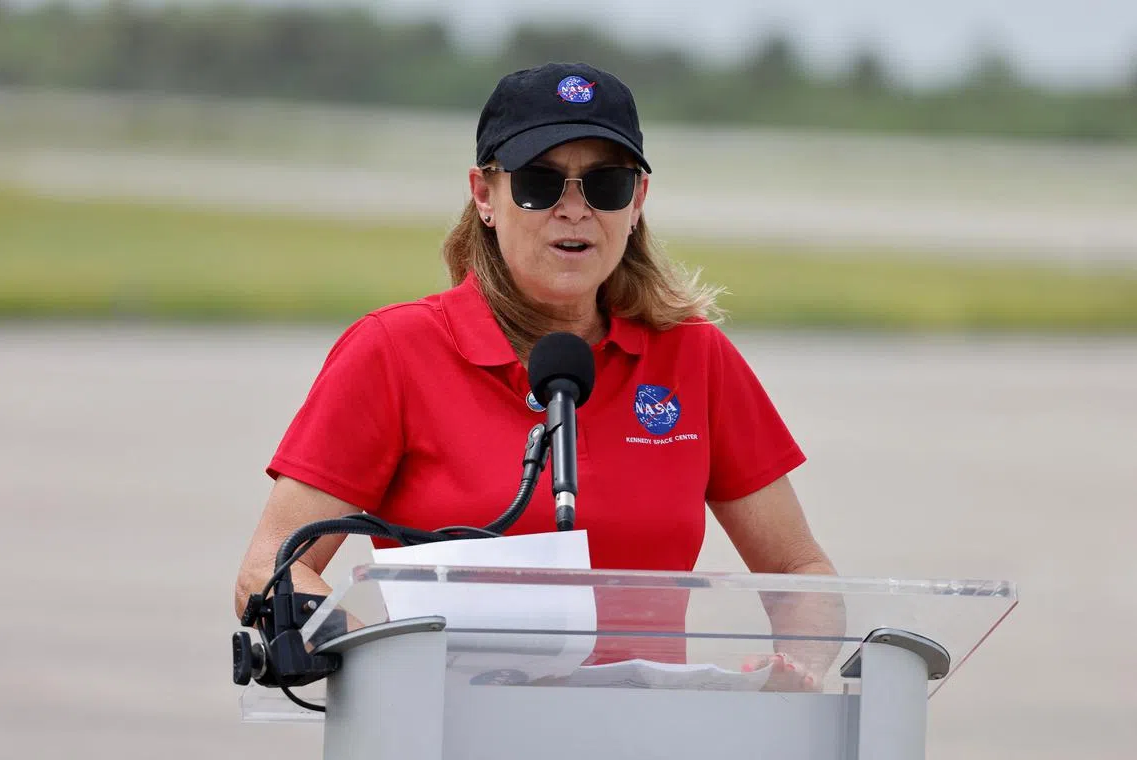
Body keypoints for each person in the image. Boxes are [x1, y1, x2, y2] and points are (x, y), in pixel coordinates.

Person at [234, 62, 840, 690]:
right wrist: (375, 656)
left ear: (637, 203)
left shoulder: (696, 358)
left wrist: (801, 672)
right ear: (483, 195)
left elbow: (799, 569)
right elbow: (269, 572)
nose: (573, 210)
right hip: (445, 730)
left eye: (604, 184)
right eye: (538, 183)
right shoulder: (392, 352)